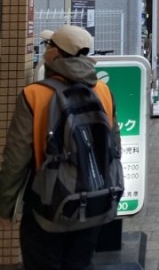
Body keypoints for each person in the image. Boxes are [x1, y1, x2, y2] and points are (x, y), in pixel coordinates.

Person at [0, 25, 121, 270]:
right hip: (94, 201)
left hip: (47, 205)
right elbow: (113, 145)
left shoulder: (34, 95)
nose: (46, 50)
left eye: (49, 46)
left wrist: (6, 205)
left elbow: (17, 157)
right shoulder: (103, 90)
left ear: (56, 53)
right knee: (81, 263)